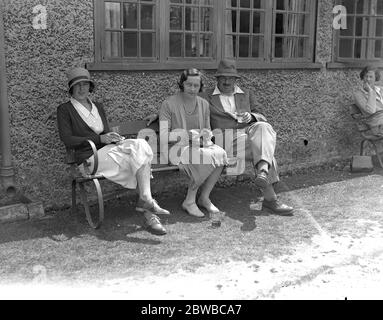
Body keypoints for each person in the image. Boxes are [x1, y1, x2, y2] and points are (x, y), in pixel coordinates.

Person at [146, 60, 293, 216]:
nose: (226, 81)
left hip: (248, 137)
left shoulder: (246, 95)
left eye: (230, 78)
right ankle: (271, 198)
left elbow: (262, 116)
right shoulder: (206, 96)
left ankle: (263, 172)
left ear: (236, 79)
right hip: (225, 140)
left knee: (263, 128)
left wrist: (251, 116)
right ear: (217, 79)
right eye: (223, 77)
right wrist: (157, 116)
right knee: (265, 153)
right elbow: (182, 100)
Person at [57, 67, 170, 235]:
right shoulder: (65, 109)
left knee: (141, 146)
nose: (82, 89)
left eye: (85, 85)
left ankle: (145, 199)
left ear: (90, 87)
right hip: (89, 159)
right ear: (71, 89)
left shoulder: (98, 107)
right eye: (77, 85)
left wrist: (112, 137)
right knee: (137, 162)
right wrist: (100, 139)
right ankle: (149, 215)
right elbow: (67, 140)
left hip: (108, 152)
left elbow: (104, 133)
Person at [159, 68, 228, 218]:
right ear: (182, 84)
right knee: (202, 156)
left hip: (197, 146)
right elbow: (163, 136)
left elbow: (207, 130)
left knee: (221, 154)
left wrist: (206, 135)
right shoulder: (168, 104)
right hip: (175, 148)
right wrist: (186, 135)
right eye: (189, 84)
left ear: (200, 86)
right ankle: (189, 201)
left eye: (196, 85)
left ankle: (204, 198)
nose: (192, 89)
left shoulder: (203, 104)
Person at [353, 65, 383, 136]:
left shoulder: (381, 89)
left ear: (376, 78)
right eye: (366, 76)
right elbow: (370, 111)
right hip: (376, 125)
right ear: (363, 78)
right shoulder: (358, 94)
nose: (368, 79)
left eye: (371, 77)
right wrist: (370, 92)